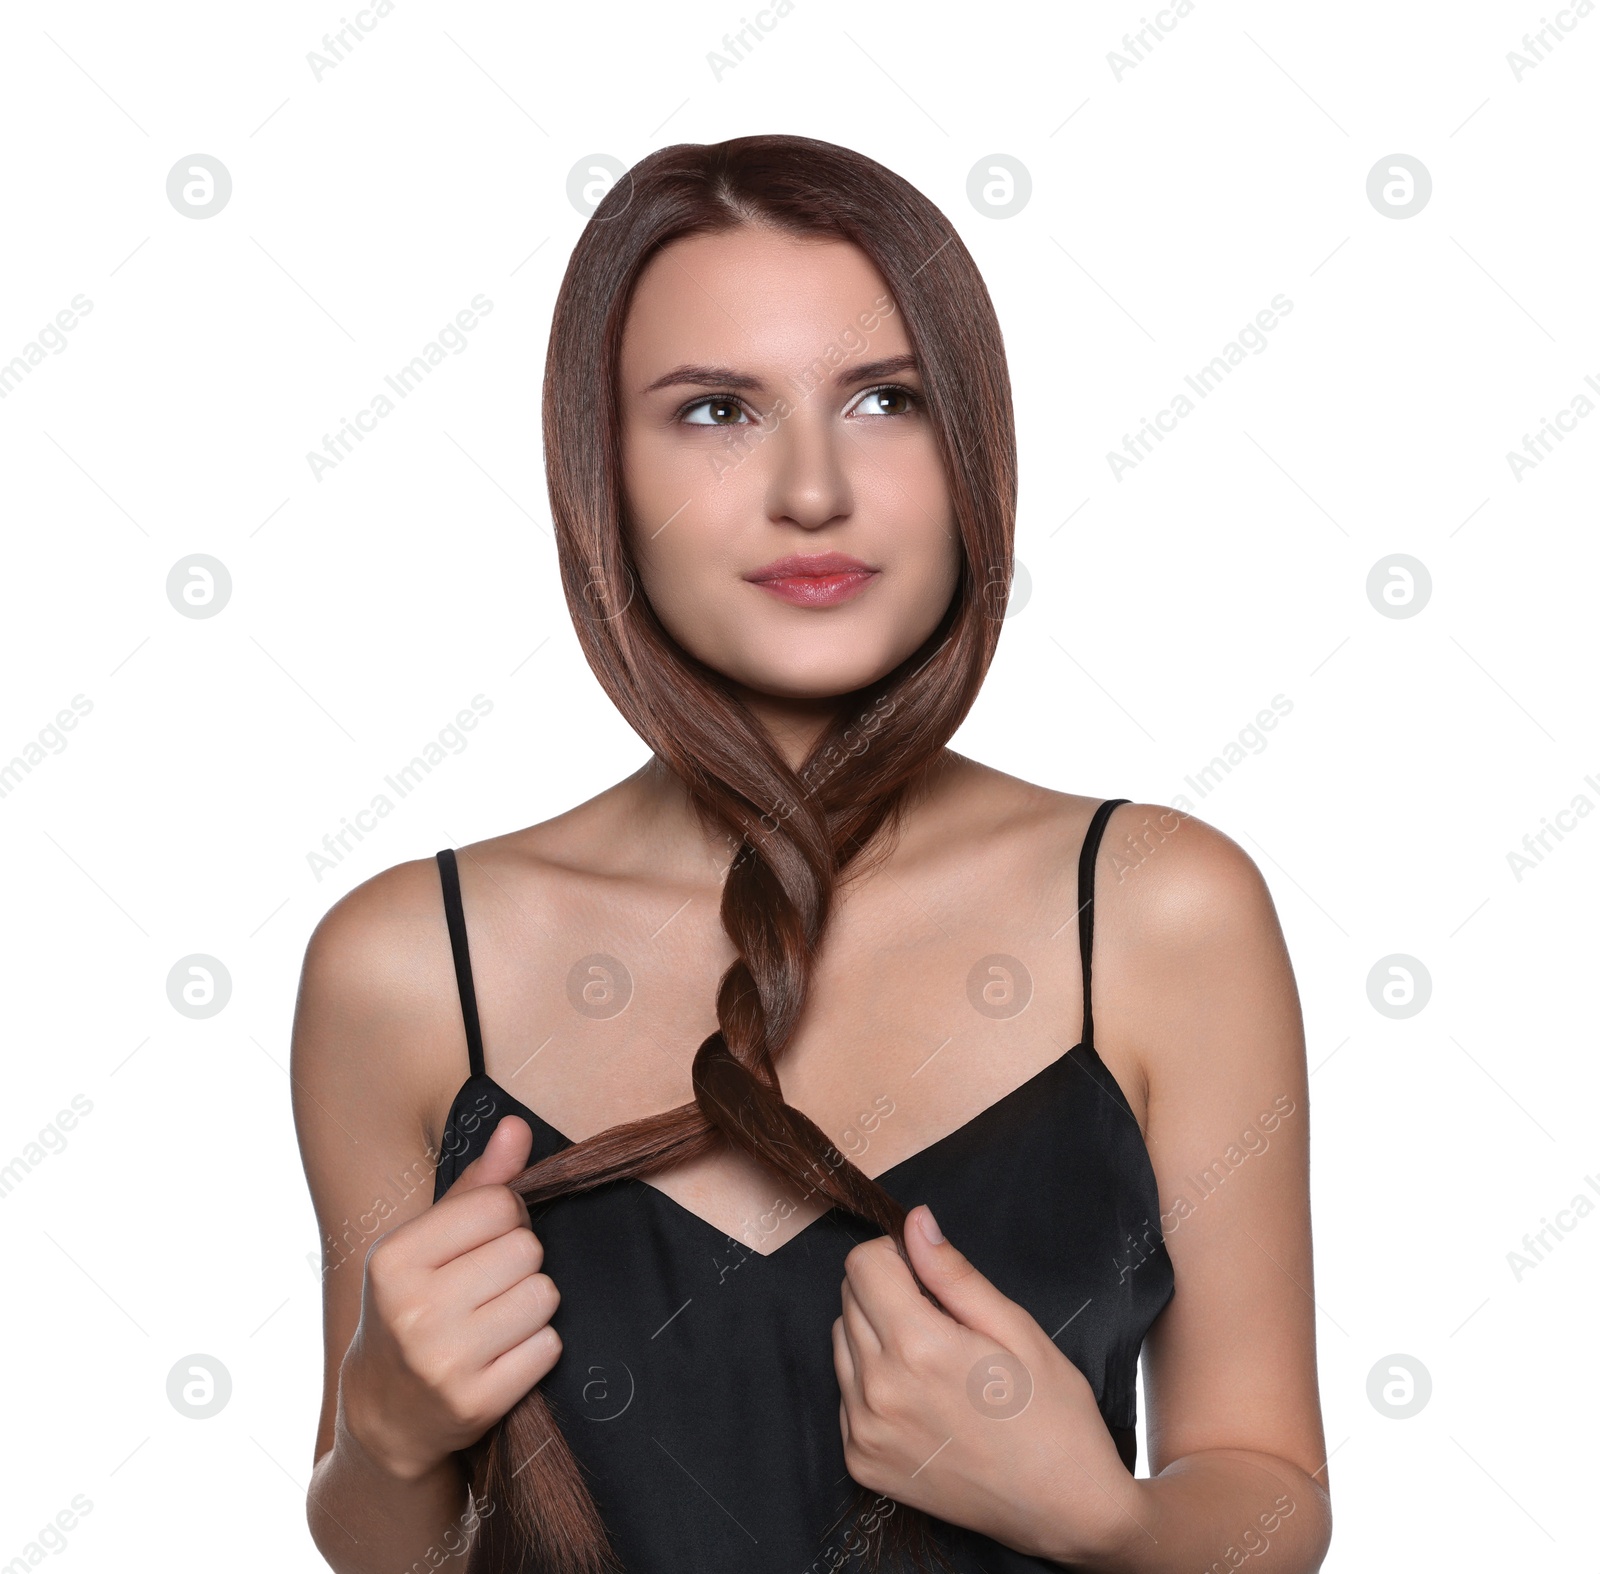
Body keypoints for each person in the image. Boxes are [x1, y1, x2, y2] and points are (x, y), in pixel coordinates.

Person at [295, 134, 1331, 1573]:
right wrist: (390, 1431)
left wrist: (1098, 1511)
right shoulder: (409, 962)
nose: (812, 489)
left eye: (884, 400)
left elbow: (1271, 1492)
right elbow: (383, 1543)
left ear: (972, 441)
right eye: (716, 409)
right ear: (600, 469)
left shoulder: (1159, 912)